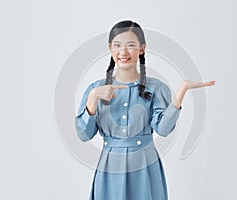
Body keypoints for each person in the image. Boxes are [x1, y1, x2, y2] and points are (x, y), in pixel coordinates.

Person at [75, 20, 215, 200]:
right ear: (110, 48)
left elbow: (163, 130)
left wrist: (180, 93)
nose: (123, 52)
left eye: (130, 45)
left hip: (145, 167)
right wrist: (93, 98)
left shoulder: (156, 88)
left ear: (142, 48)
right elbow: (84, 135)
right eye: (117, 45)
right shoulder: (95, 88)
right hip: (110, 168)